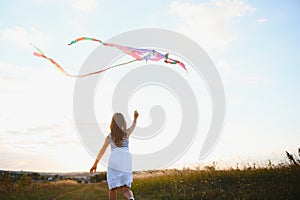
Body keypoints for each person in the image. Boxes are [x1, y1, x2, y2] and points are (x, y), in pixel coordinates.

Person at [90, 111, 139, 200]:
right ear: (123, 123)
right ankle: (131, 198)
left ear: (112, 124)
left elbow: (102, 150)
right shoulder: (126, 133)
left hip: (114, 160)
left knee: (113, 188)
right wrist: (135, 118)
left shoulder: (110, 137)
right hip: (126, 160)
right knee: (125, 189)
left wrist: (95, 164)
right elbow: (133, 126)